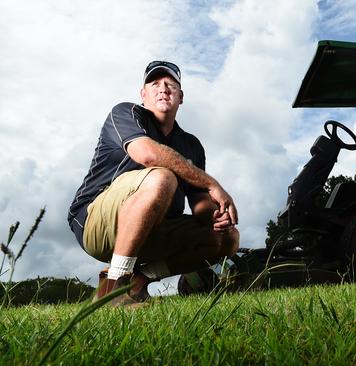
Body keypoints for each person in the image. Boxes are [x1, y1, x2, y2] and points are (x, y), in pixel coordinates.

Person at [68, 61, 239, 306]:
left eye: (171, 85)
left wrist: (215, 216)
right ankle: (113, 289)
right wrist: (214, 184)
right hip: (95, 223)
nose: (163, 89)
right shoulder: (125, 113)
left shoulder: (191, 145)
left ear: (181, 97)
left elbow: (200, 202)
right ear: (143, 94)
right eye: (155, 83)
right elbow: (147, 154)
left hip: (153, 228)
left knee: (228, 238)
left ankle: (139, 280)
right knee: (162, 176)